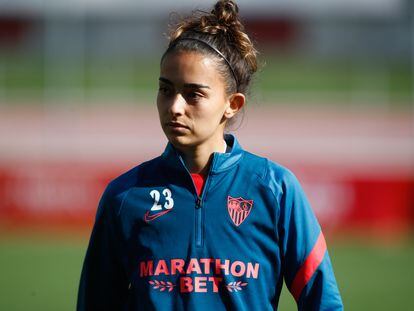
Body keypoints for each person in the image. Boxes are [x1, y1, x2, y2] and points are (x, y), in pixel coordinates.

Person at [77, 1, 343, 310]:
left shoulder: (276, 189)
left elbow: (323, 303)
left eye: (193, 94)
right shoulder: (124, 197)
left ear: (233, 104)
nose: (175, 106)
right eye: (166, 90)